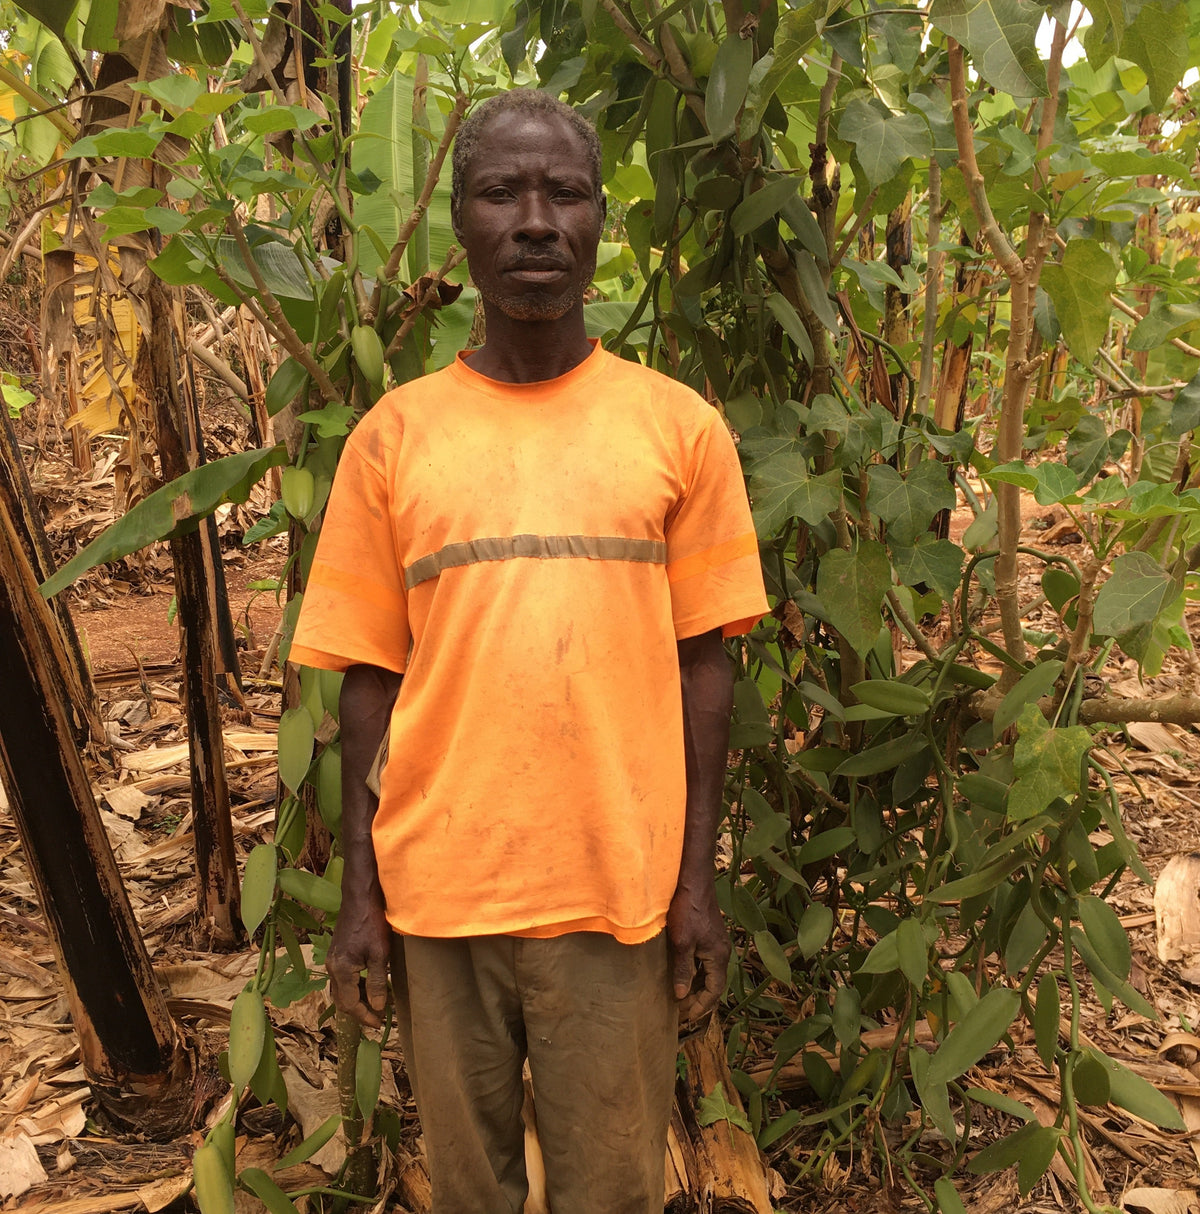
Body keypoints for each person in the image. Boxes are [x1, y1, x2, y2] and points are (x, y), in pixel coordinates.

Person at [289, 88, 768, 1214]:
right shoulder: (393, 438)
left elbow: (708, 670)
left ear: (603, 218)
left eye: (564, 192)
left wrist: (694, 886)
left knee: (609, 1190)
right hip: (438, 895)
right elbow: (368, 681)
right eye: (503, 192)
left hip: (613, 892)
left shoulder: (677, 427)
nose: (536, 220)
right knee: (469, 1192)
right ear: (461, 222)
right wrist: (360, 900)